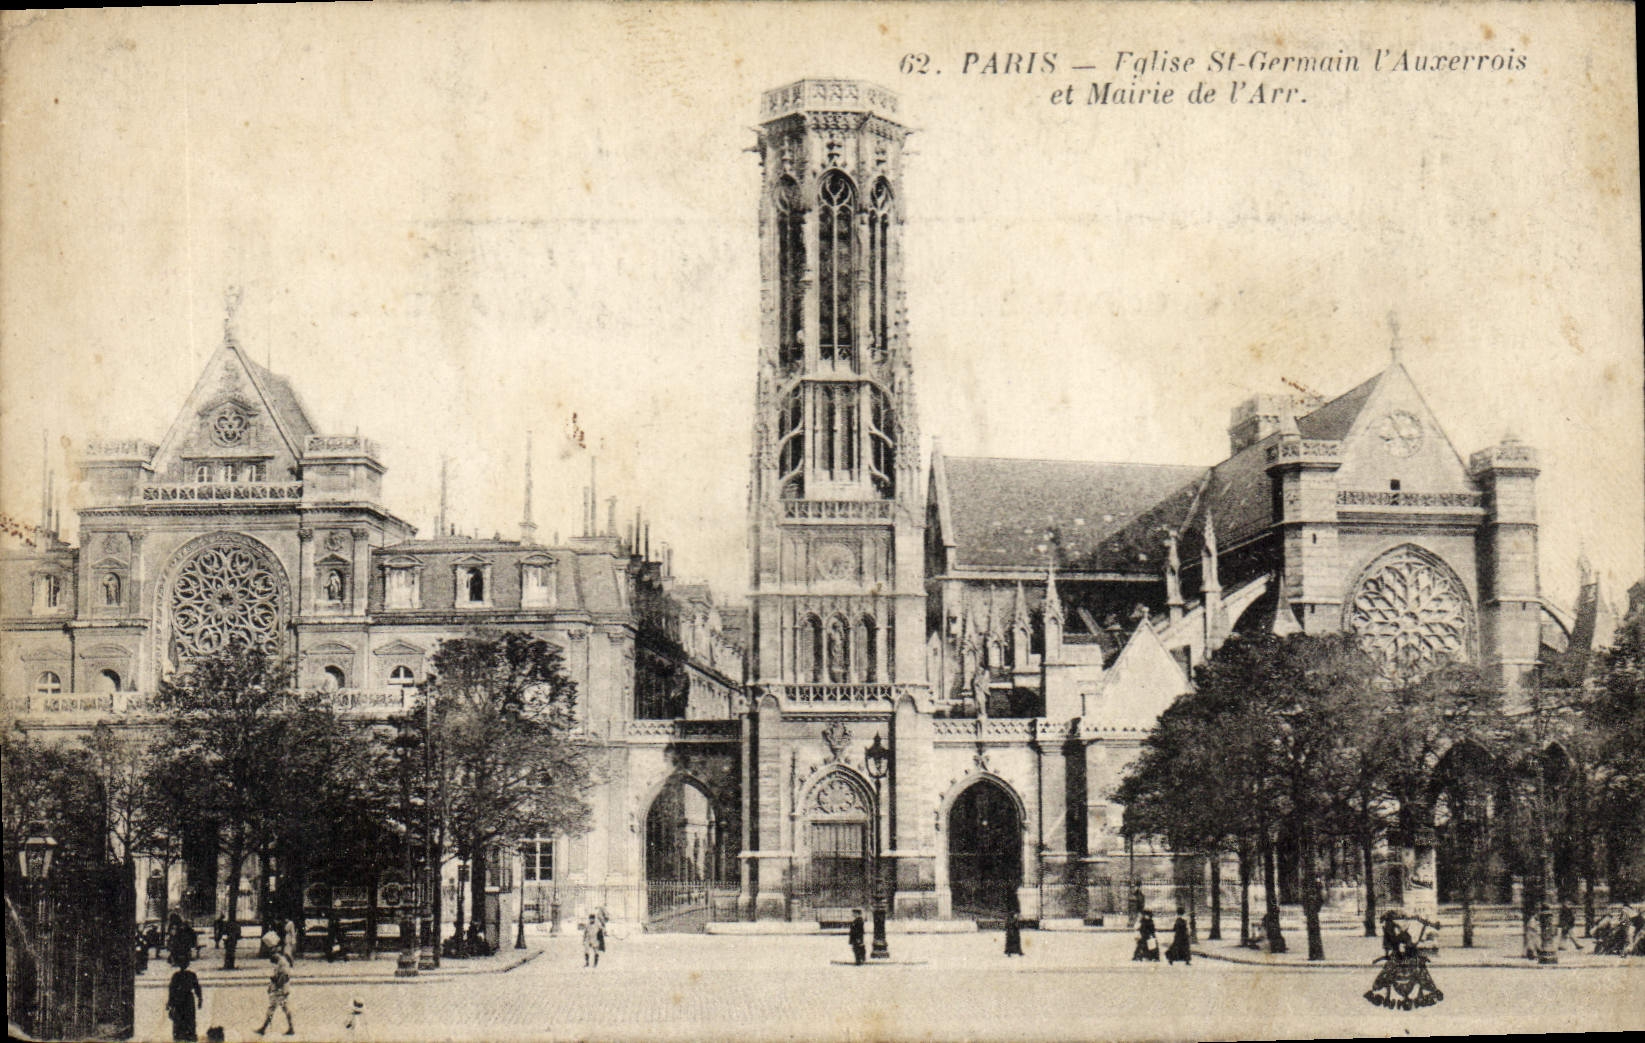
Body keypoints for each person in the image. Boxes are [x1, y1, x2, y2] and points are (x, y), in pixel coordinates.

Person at [254, 950, 295, 1036]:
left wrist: (275, 982)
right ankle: (291, 1028)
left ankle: (263, 1028)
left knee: (272, 1008)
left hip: (280, 990)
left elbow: (283, 977)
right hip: (283, 990)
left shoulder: (282, 964)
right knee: (285, 1008)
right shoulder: (282, 962)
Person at [165, 956, 203, 1042]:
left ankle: (180, 1035)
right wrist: (200, 999)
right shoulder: (191, 975)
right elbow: (197, 988)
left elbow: (172, 990)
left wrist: (170, 1003)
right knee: (189, 1019)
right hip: (188, 999)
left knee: (180, 1019)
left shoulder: (176, 976)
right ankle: (189, 1035)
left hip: (179, 999)